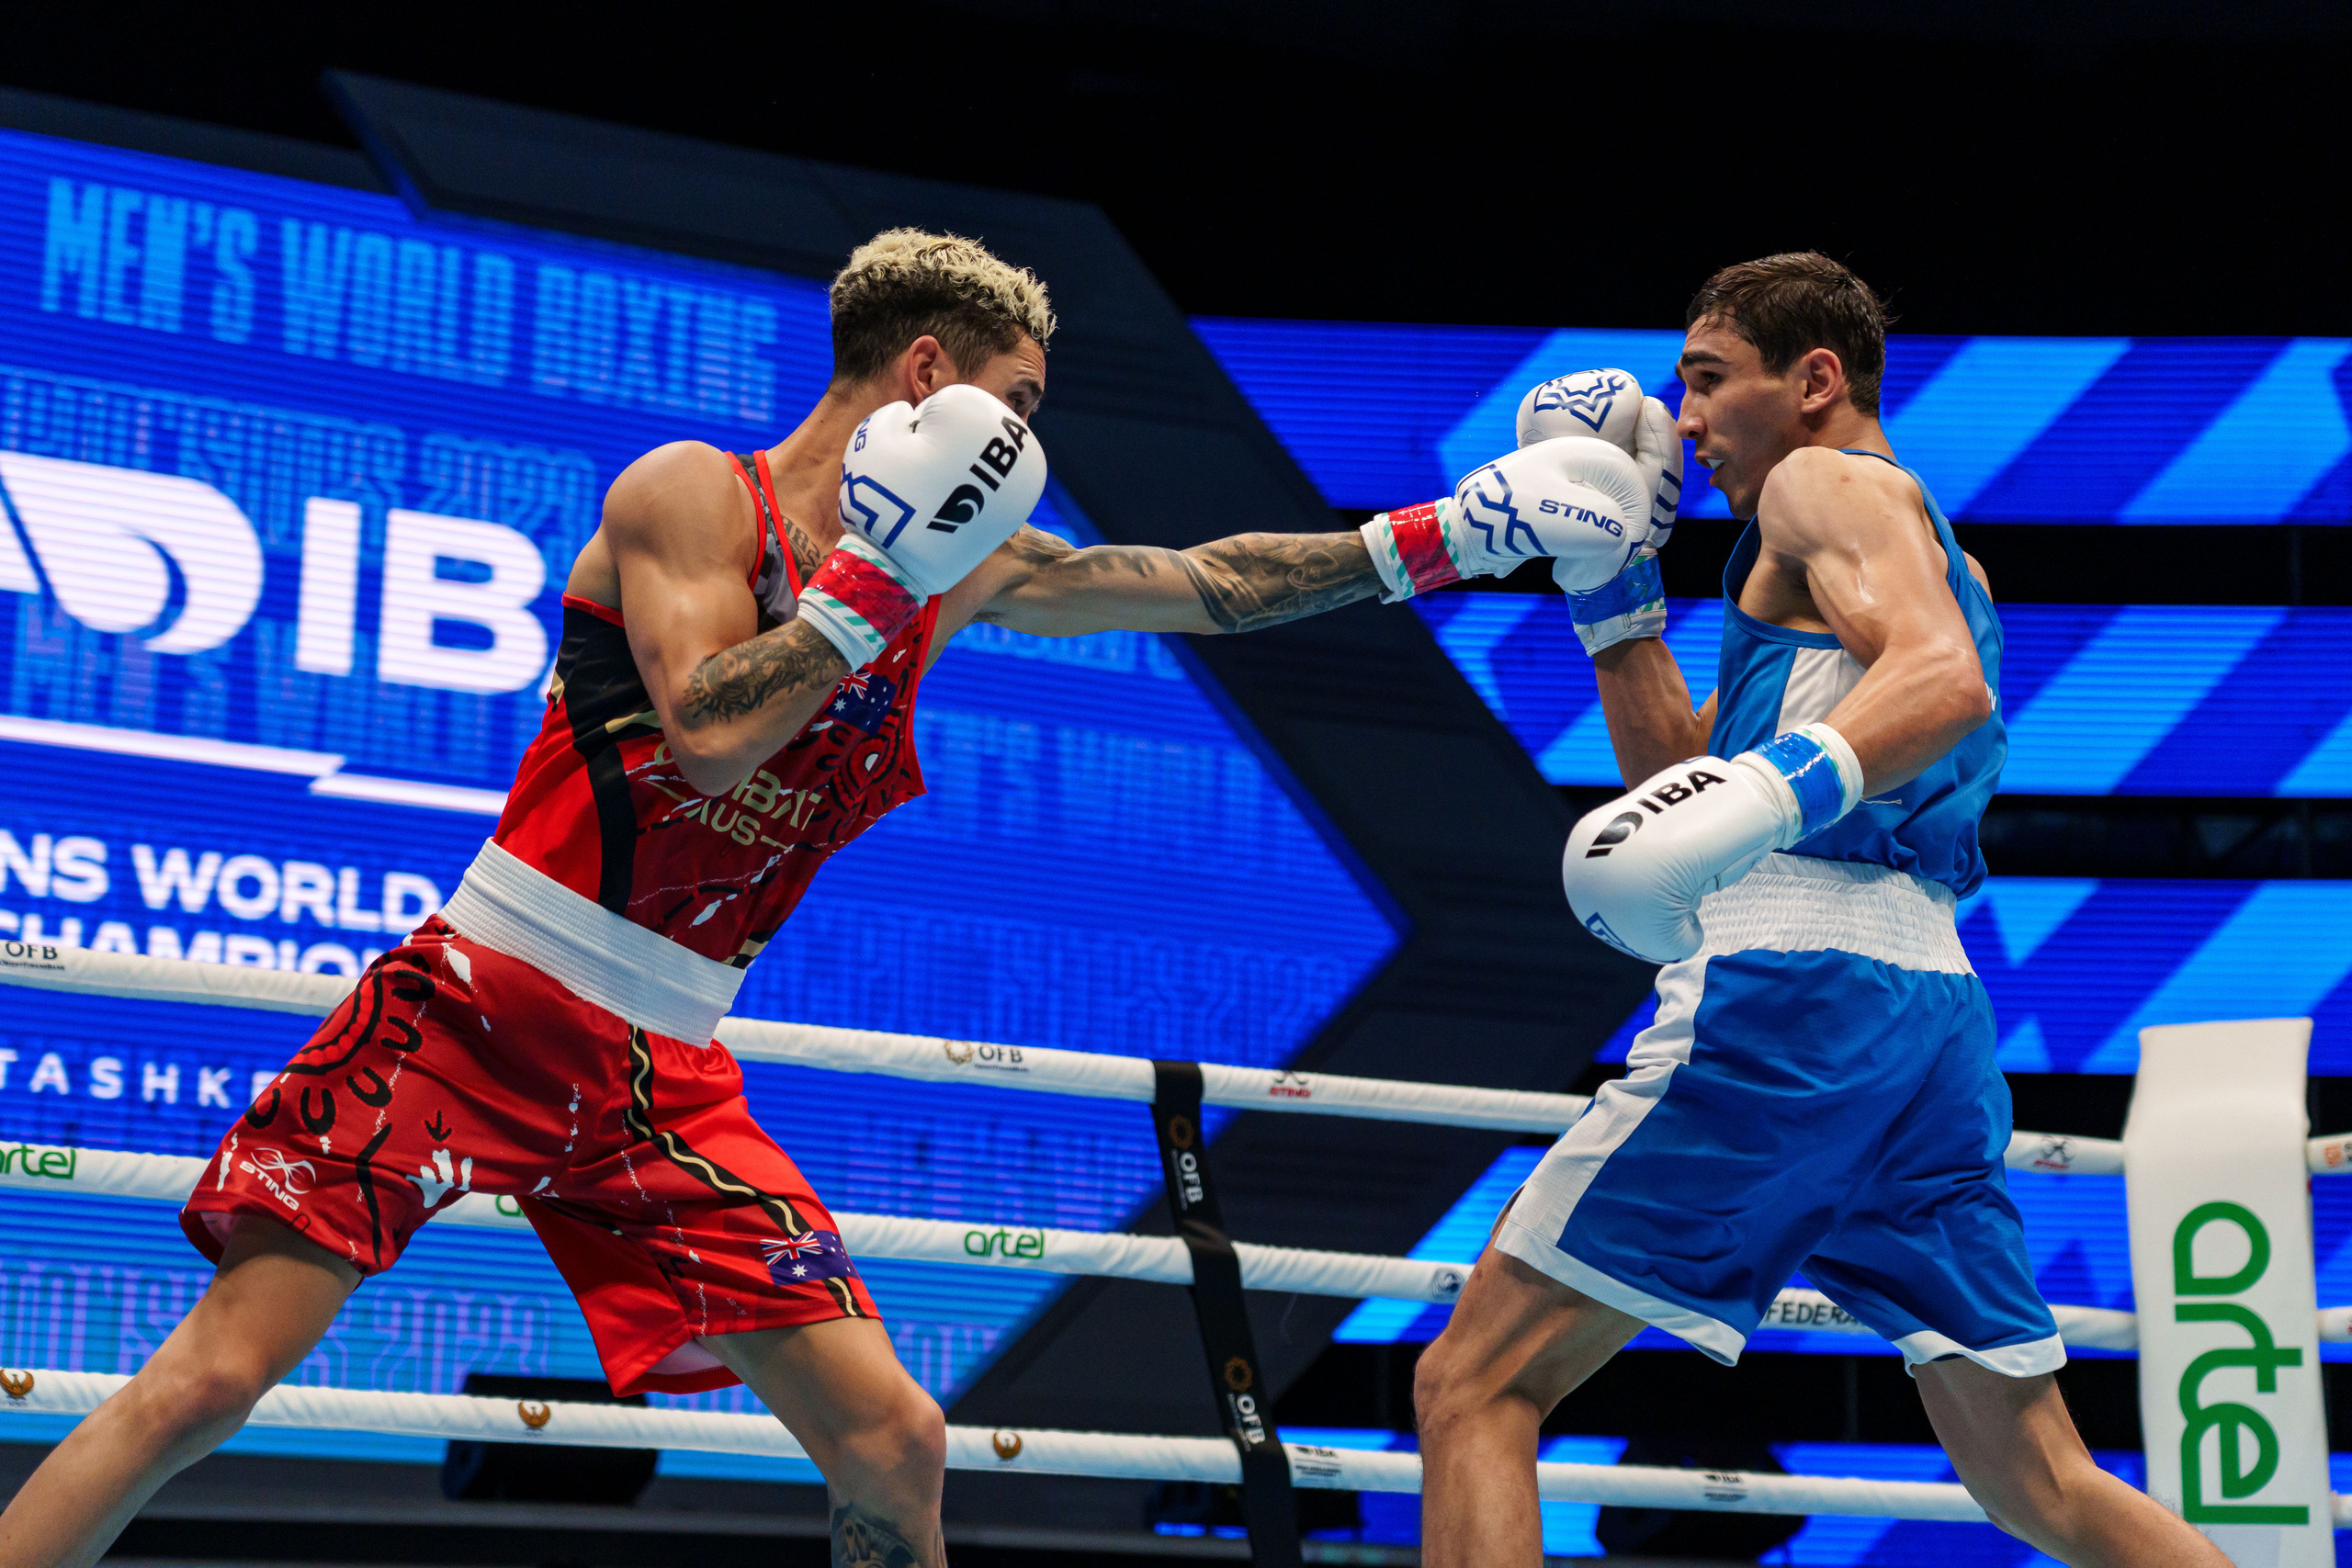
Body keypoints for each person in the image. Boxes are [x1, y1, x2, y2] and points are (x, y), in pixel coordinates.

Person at [0, 227, 1632, 1568]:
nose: (1032, 434)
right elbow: (709, 734)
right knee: (214, 1382)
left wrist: (1443, 535)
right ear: (929, 377)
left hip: (664, 1077)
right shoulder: (691, 496)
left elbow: (1201, 585)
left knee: (891, 1444)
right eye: (1018, 396)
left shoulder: (966, 561)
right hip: (483, 1006)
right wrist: (871, 580)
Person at [1409, 253, 2234, 1567]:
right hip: (1928, 1023)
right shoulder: (1892, 536)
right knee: (2044, 1483)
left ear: (1814, 381)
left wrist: (1765, 799)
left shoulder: (1820, 479)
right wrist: (1612, 602)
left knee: (1474, 1387)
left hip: (1791, 995)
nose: (1683, 421)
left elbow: (1943, 685)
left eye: (1706, 380)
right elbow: (1687, 795)